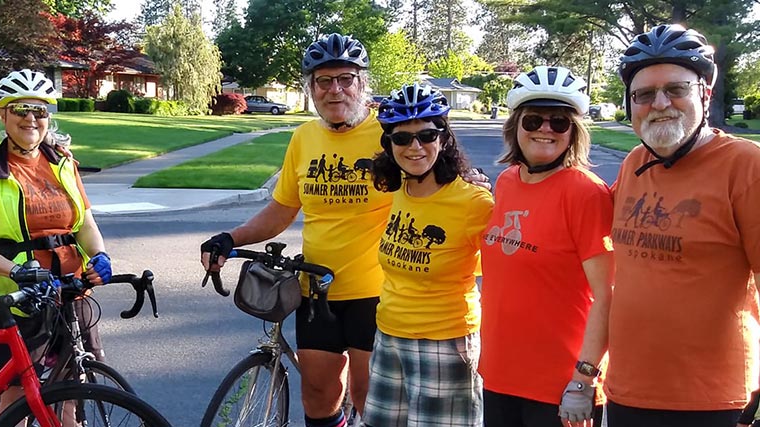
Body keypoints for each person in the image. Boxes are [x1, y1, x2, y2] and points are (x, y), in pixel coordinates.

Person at [201, 33, 391, 427]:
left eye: (345, 78)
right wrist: (230, 238)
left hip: (376, 292)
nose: (335, 90)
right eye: (324, 81)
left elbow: (432, 181)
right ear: (310, 88)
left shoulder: (389, 136)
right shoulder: (304, 138)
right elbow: (283, 208)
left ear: (362, 83)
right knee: (319, 396)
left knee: (367, 396)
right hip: (315, 290)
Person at [605, 23, 760, 427]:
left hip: (710, 399)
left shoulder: (745, 166)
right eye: (644, 94)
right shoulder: (634, 162)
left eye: (675, 89)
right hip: (626, 390)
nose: (659, 104)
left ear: (704, 94)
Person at [0, 69, 112, 410]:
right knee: (17, 396)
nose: (31, 119)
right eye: (20, 110)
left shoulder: (63, 163)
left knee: (73, 389)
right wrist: (19, 273)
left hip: (71, 291)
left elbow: (85, 225)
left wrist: (99, 255)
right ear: (2, 114)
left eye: (40, 111)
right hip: (20, 298)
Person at [478, 65, 614, 427]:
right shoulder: (506, 181)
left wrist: (585, 379)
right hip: (500, 374)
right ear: (515, 126)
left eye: (559, 122)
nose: (544, 130)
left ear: (574, 132)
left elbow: (608, 294)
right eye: (533, 120)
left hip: (561, 386)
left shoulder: (585, 192)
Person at [363, 83, 492, 426]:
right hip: (389, 336)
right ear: (389, 145)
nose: (415, 147)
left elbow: (506, 274)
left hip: (445, 344)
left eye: (427, 135)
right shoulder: (400, 191)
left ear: (444, 139)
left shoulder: (474, 202)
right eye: (402, 138)